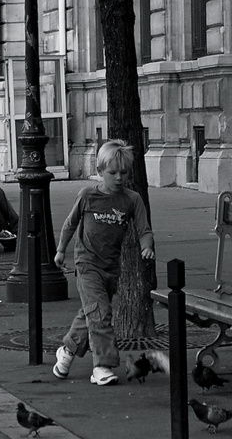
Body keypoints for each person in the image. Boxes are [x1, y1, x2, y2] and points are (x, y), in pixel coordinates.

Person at [52, 139, 155, 386]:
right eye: (112, 173)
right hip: (86, 263)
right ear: (99, 172)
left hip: (111, 267)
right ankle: (103, 366)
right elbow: (70, 223)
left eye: (124, 173)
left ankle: (66, 351)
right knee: (101, 313)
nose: (119, 178)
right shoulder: (88, 195)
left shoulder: (132, 199)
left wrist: (146, 247)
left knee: (91, 312)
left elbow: (144, 229)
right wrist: (60, 250)